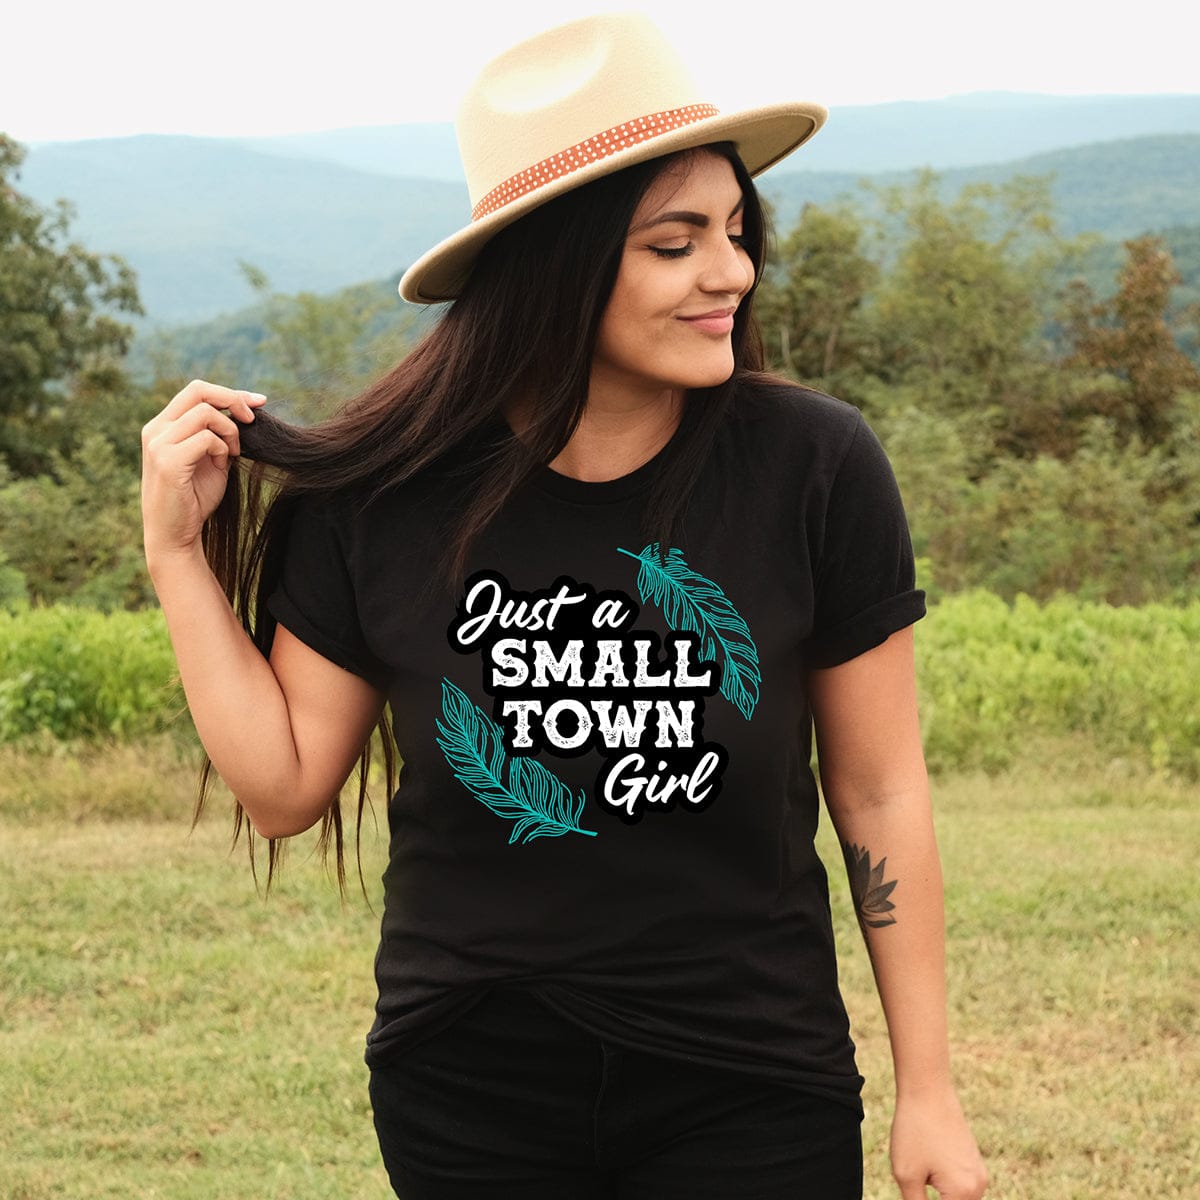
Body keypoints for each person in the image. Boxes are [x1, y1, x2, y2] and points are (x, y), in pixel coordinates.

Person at [140, 13, 987, 1200]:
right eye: (675, 243)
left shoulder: (814, 466)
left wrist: (931, 1091)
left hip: (752, 1073)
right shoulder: (384, 500)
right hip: (470, 1081)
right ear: (560, 259)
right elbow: (282, 789)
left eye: (736, 232)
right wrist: (179, 557)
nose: (732, 273)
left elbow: (880, 788)